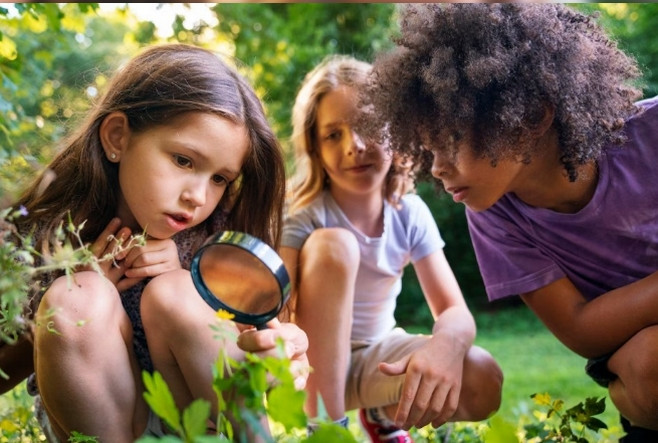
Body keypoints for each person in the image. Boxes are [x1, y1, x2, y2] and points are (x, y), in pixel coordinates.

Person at [365, 3, 658, 440]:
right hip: (635, 353)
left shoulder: (650, 132)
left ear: (531, 117)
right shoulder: (493, 216)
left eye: (451, 142)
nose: (438, 167)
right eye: (429, 149)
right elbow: (580, 329)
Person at [1, 43, 308, 442]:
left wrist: (286, 345)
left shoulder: (218, 237)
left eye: (219, 179)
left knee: (175, 290)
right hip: (102, 421)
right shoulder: (48, 233)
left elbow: (267, 331)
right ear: (117, 137)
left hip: (200, 421)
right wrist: (57, 309)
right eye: (183, 161)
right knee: (77, 296)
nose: (198, 196)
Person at [279, 55, 503, 443]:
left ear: (394, 130)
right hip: (310, 369)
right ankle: (327, 430)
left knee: (484, 376)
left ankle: (382, 415)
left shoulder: (409, 212)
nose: (356, 145)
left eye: (367, 124)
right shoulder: (303, 216)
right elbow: (276, 312)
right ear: (314, 148)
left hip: (377, 360)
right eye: (334, 134)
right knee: (335, 245)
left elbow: (455, 311)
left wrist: (444, 350)